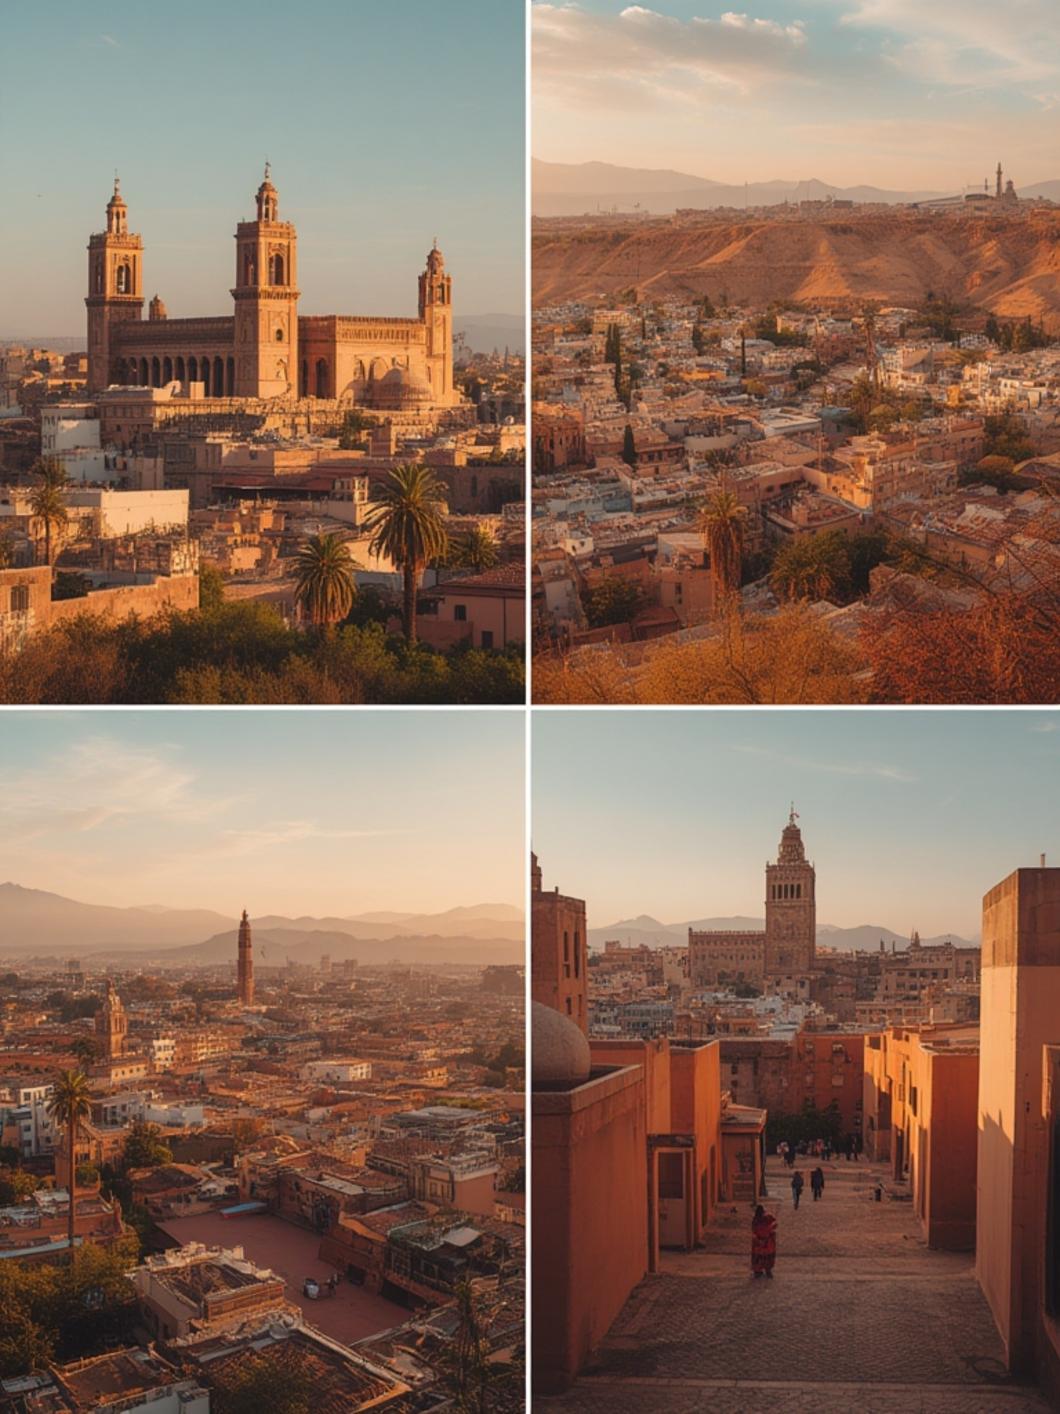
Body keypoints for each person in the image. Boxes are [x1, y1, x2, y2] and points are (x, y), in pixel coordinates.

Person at [751, 1204, 777, 1278]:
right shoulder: (767, 1217)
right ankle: (767, 1270)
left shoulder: (756, 1219)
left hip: (760, 1242)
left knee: (759, 1257)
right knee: (767, 1257)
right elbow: (774, 1224)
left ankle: (759, 1270)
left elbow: (754, 1230)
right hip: (766, 1242)